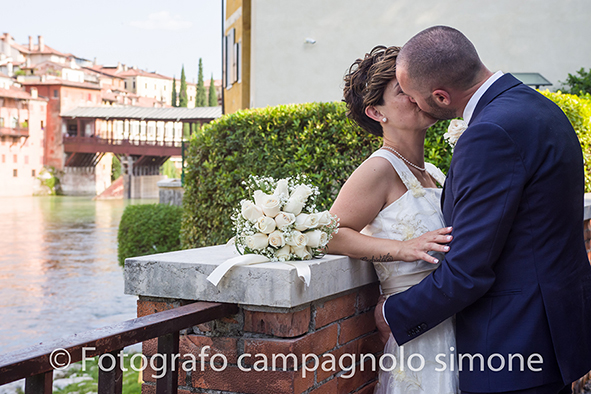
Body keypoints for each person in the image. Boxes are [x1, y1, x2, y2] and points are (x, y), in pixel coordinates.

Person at [376, 25, 591, 394]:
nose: (412, 104)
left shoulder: (490, 132)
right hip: (555, 333)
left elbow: (469, 268)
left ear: (441, 97)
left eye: (414, 97)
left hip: (513, 347)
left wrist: (392, 314)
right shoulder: (539, 106)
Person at [327, 45, 459, 393]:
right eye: (403, 92)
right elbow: (330, 233)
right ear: (375, 111)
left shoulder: (431, 170)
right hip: (417, 330)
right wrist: (402, 249)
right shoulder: (379, 168)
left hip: (454, 321)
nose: (418, 97)